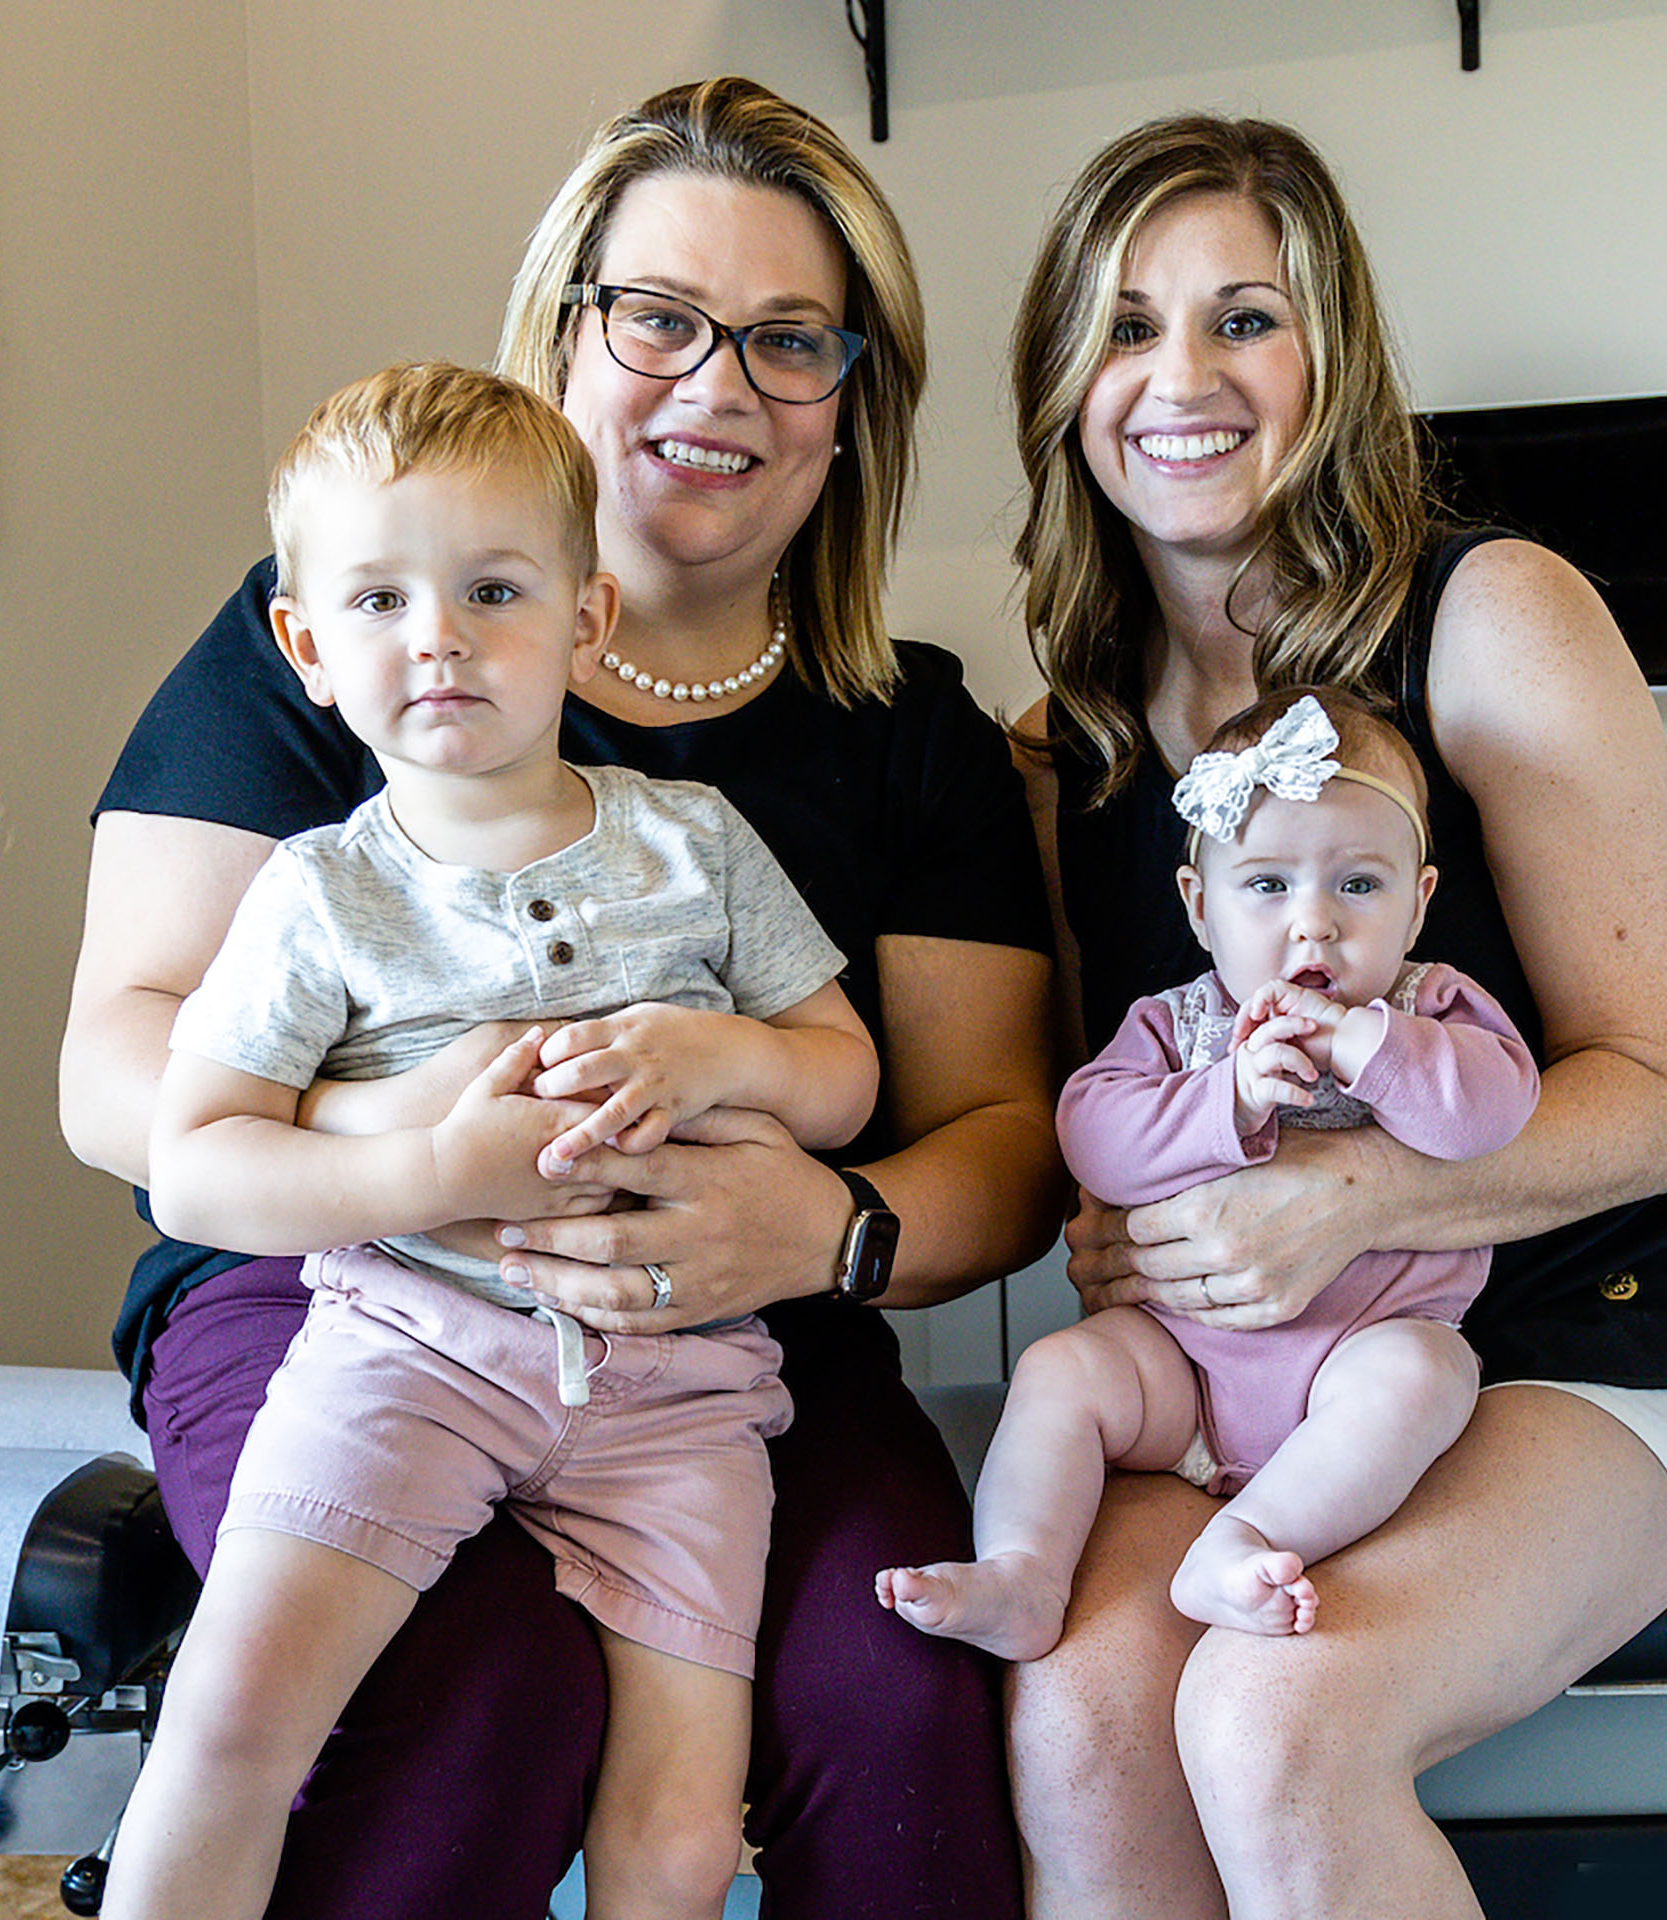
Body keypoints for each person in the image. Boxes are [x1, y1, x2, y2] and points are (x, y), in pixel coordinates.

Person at [59, 78, 1061, 1920]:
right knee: (469, 1687)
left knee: (897, 1688)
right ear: (567, 330)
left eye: (790, 341)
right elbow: (125, 1062)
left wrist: (826, 1230)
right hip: (332, 1293)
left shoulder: (906, 730)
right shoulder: (364, 629)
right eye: (659, 318)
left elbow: (1002, 1139)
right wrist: (427, 1137)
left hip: (736, 1339)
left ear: (854, 405)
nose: (721, 383)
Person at [1000, 114, 1667, 1917]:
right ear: (1063, 381)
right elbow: (1118, 1110)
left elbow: (1656, 1101)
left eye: (1245, 319)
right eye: (1125, 327)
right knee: (1081, 1713)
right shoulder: (1069, 745)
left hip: (1604, 1330)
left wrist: (1350, 1203)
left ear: (1332, 356)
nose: (1181, 377)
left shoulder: (1496, 617)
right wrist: (1117, 1235)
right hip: (1270, 1380)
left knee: (1279, 1718)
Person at [101, 360, 881, 1920]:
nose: (439, 635)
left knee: (677, 1811)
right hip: (406, 1350)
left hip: (682, 1391)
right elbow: (194, 1158)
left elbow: (842, 1075)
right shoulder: (319, 893)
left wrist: (719, 1051)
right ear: (306, 649)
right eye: (379, 601)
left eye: (493, 589)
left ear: (587, 624)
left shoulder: (695, 842)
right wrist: (433, 1174)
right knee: (239, 1722)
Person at [878, 688, 1536, 1653]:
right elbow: (1091, 1134)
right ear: (1200, 905)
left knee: (1427, 1376)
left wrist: (1373, 1048)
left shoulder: (1432, 1008)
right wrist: (1224, 1097)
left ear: (1419, 900)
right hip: (1182, 1370)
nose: (1314, 927)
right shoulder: (1177, 1024)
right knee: (1062, 1371)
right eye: (1267, 886)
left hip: (1353, 1362)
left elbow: (1494, 1113)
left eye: (1358, 886)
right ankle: (1023, 1573)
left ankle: (1246, 1540)